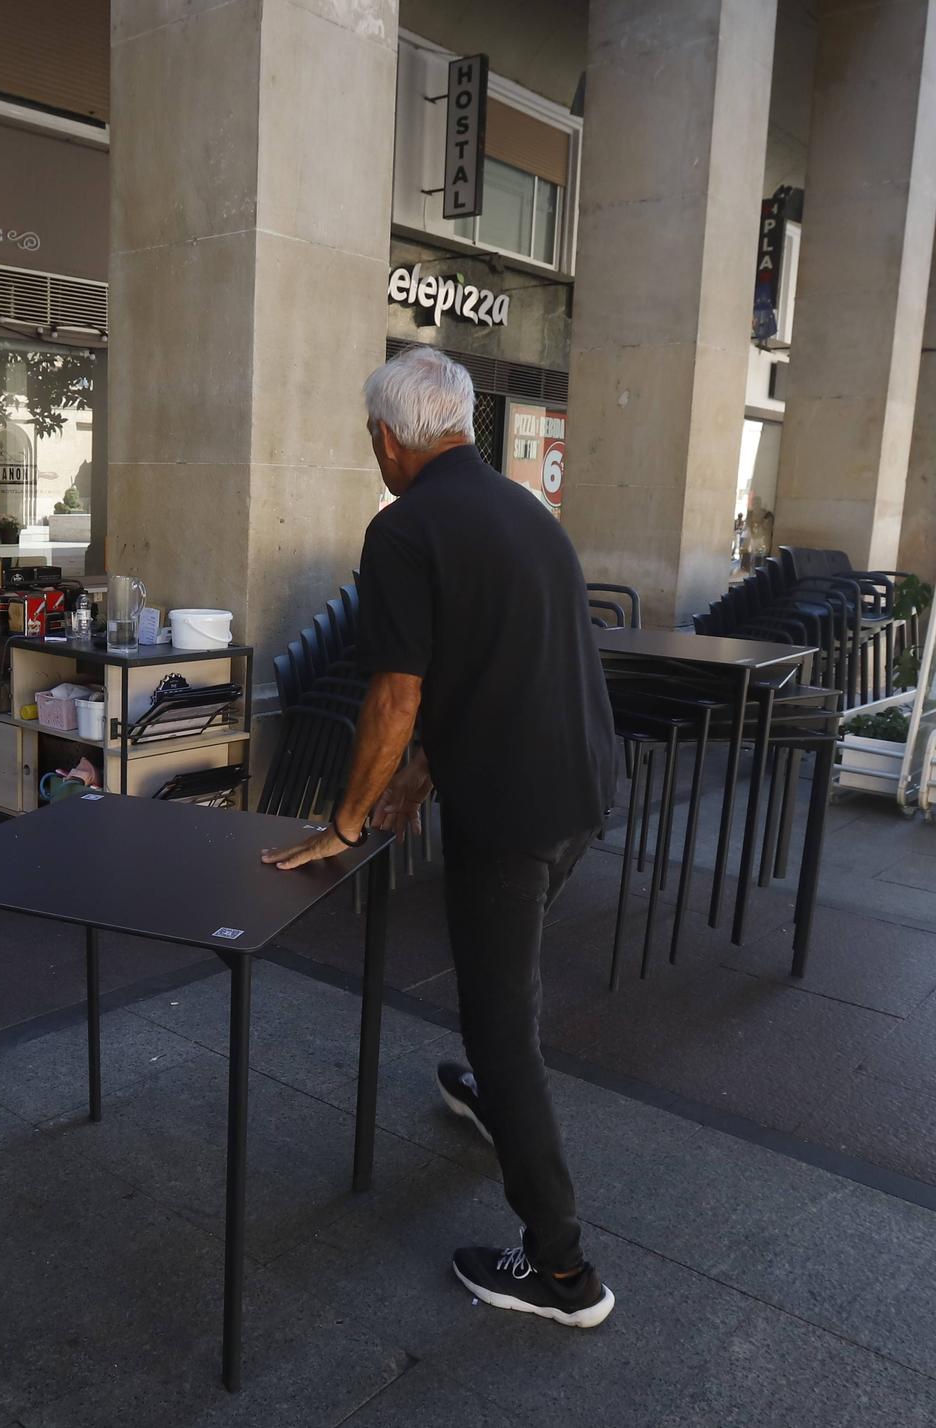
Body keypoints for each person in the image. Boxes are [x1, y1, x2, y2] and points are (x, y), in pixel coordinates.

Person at [264, 346, 618, 1329]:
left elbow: (395, 690)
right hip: (584, 790)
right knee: (506, 985)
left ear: (386, 439)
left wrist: (342, 820)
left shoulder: (405, 526)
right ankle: (486, 1088)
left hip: (513, 811)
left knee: (500, 1016)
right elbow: (501, 662)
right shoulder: (522, 511)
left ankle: (560, 1273)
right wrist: (420, 776)